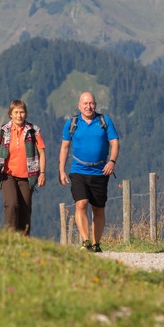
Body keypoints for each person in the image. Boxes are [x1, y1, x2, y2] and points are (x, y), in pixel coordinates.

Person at [58, 92, 119, 253]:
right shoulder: (72, 123)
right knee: (81, 203)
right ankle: (85, 241)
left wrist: (112, 161)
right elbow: (64, 147)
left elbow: (114, 142)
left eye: (91, 103)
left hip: (100, 171)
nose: (88, 106)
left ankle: (96, 243)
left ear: (95, 105)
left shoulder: (104, 121)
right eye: (85, 103)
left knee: (98, 209)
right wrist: (61, 170)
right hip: (78, 170)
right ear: (79, 106)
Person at [0, 100, 46, 235]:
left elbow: (42, 153)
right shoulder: (2, 131)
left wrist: (42, 173)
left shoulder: (34, 131)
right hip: (7, 175)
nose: (19, 115)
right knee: (12, 204)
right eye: (16, 112)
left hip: (28, 176)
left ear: (25, 113)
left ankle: (24, 238)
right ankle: (10, 236)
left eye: (22, 112)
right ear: (10, 114)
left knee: (25, 209)